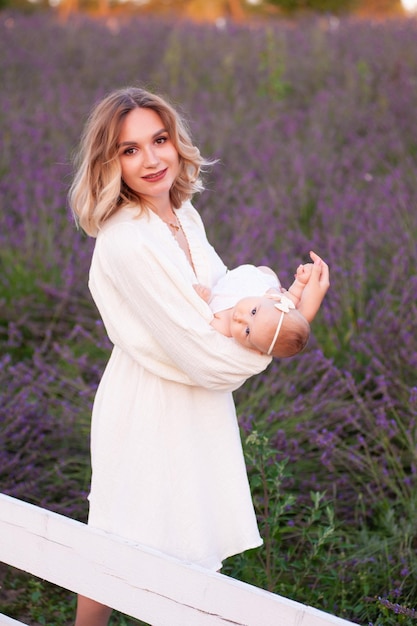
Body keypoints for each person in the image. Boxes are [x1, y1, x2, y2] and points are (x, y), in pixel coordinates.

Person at [68, 86, 330, 626]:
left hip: (195, 407)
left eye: (158, 139)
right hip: (148, 406)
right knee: (117, 545)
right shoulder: (127, 241)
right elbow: (207, 359)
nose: (152, 158)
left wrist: (283, 305)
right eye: (129, 149)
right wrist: (285, 329)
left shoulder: (182, 216)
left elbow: (229, 296)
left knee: (182, 548)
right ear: (108, 161)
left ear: (176, 141)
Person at [193, 254, 324, 358]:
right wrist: (301, 280)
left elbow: (203, 318)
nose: (240, 318)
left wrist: (203, 299)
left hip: (223, 288)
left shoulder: (223, 327)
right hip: (253, 281)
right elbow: (294, 295)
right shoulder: (276, 301)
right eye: (253, 312)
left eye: (247, 331)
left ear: (256, 350)